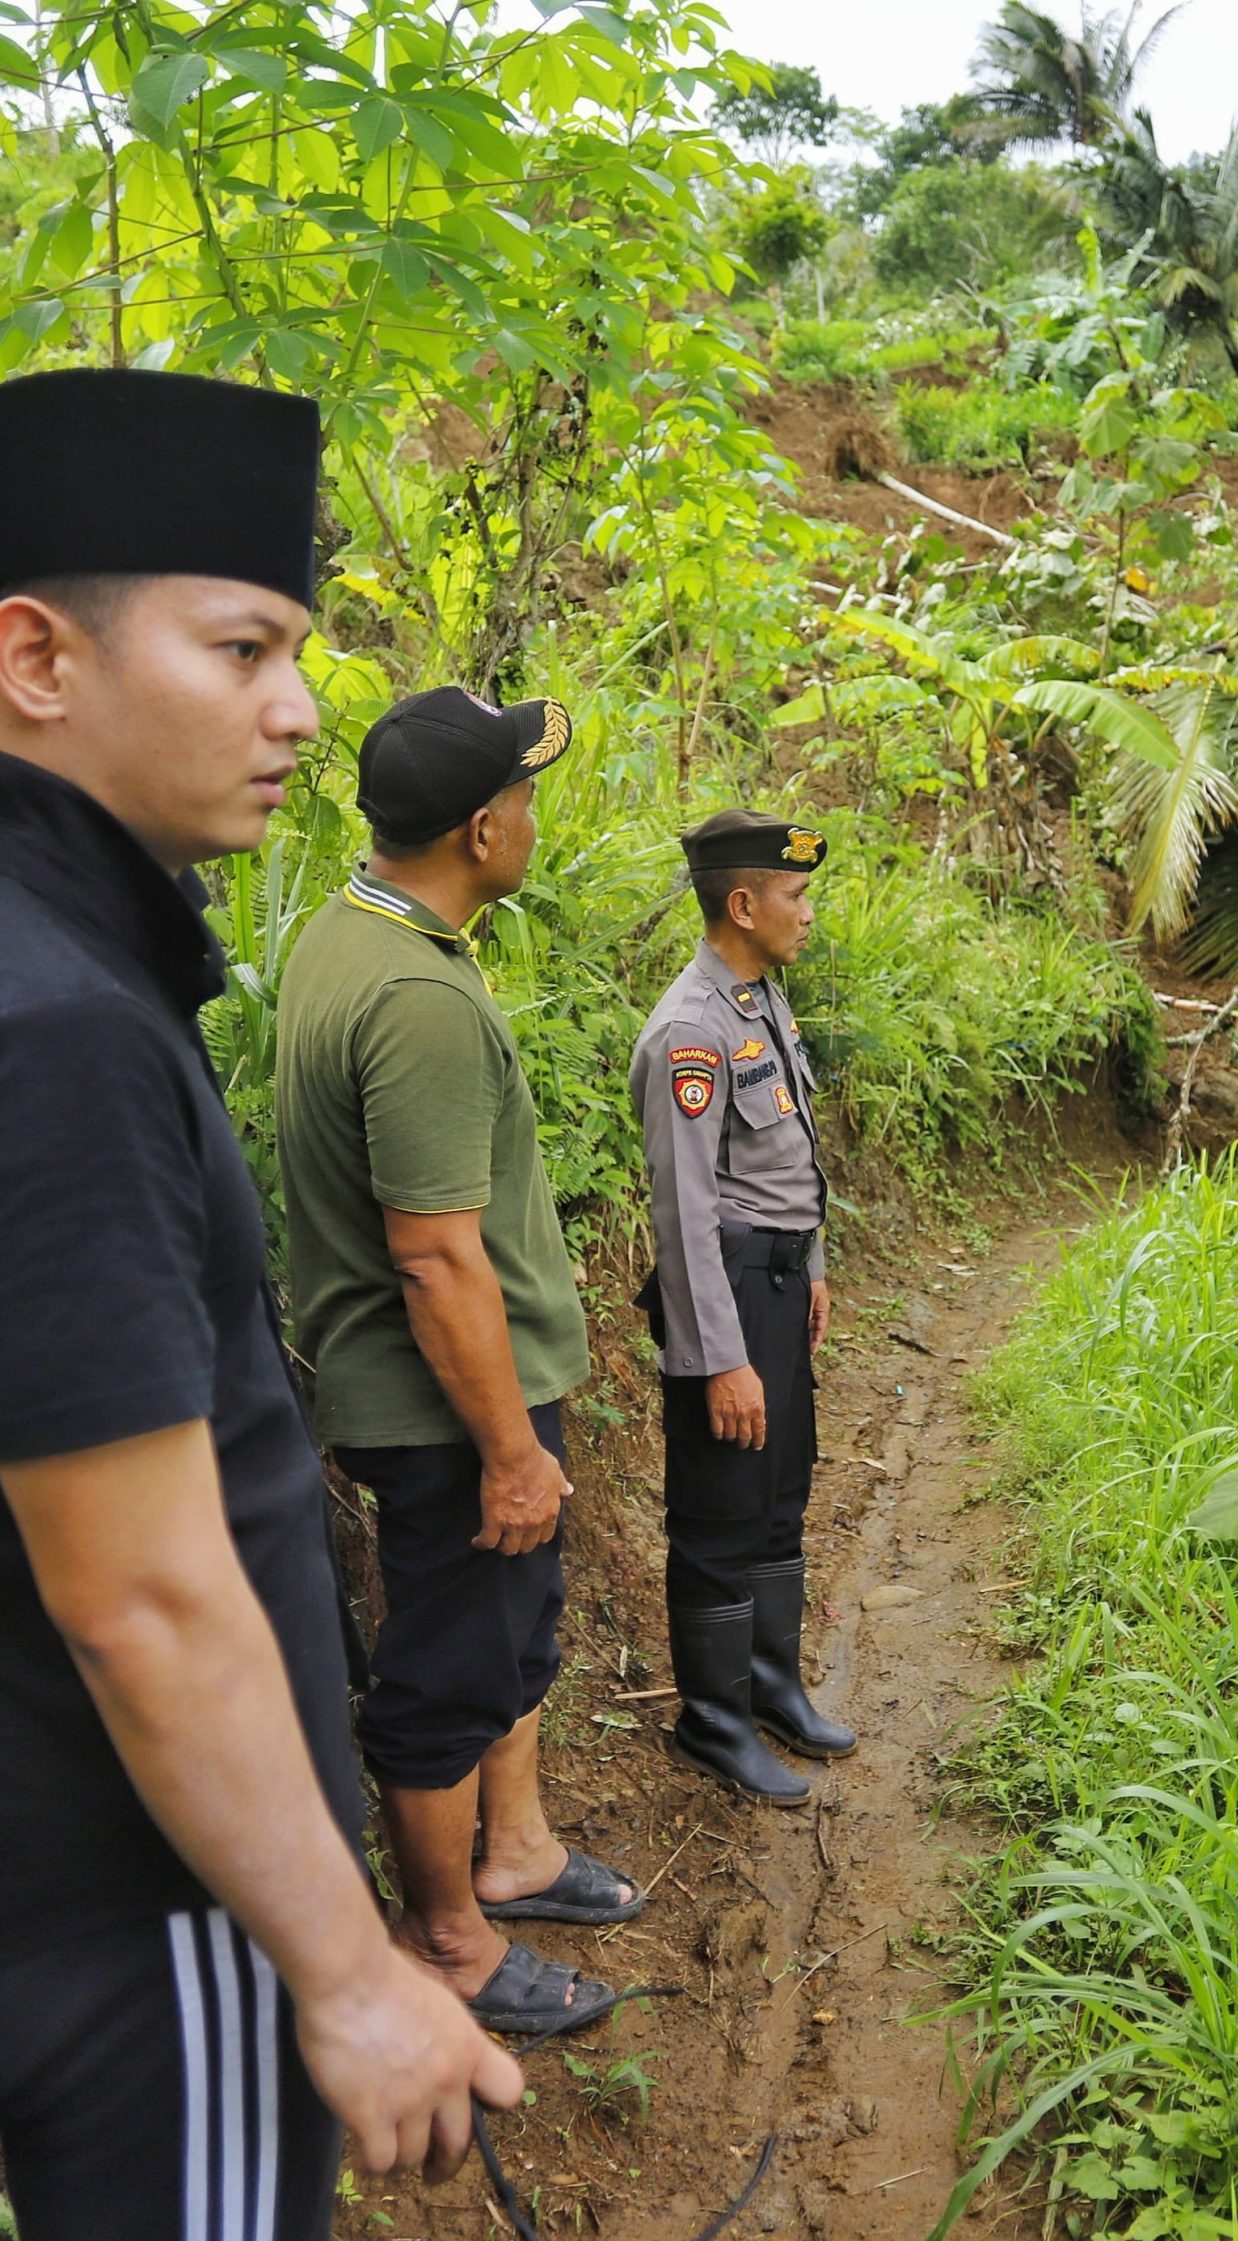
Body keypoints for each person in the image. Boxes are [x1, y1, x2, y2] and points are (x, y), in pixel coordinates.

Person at [0, 367, 519, 2238]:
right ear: (37, 659)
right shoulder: (55, 1024)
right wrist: (350, 1966)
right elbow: (140, 1590)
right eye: (241, 649)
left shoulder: (70, 959)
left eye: (296, 649)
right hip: (140, 1909)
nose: (299, 710)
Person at [274, 685, 637, 2037]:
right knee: (448, 1668)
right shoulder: (417, 999)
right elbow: (436, 1256)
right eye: (527, 802)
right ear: (483, 828)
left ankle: (518, 1851)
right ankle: (446, 1941)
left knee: (501, 1635)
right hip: (445, 1409)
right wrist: (510, 1447)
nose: (536, 822)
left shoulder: (351, 936)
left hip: (437, 1392)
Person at [633, 809, 853, 1809]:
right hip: (722, 1292)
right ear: (742, 902)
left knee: (778, 1497)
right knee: (722, 1514)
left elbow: (786, 1157)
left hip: (773, 1283)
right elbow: (684, 1216)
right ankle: (713, 1724)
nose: (807, 912)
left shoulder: (762, 1003)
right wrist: (718, 1359)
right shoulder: (691, 1029)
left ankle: (770, 1689)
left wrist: (808, 1263)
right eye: (795, 895)